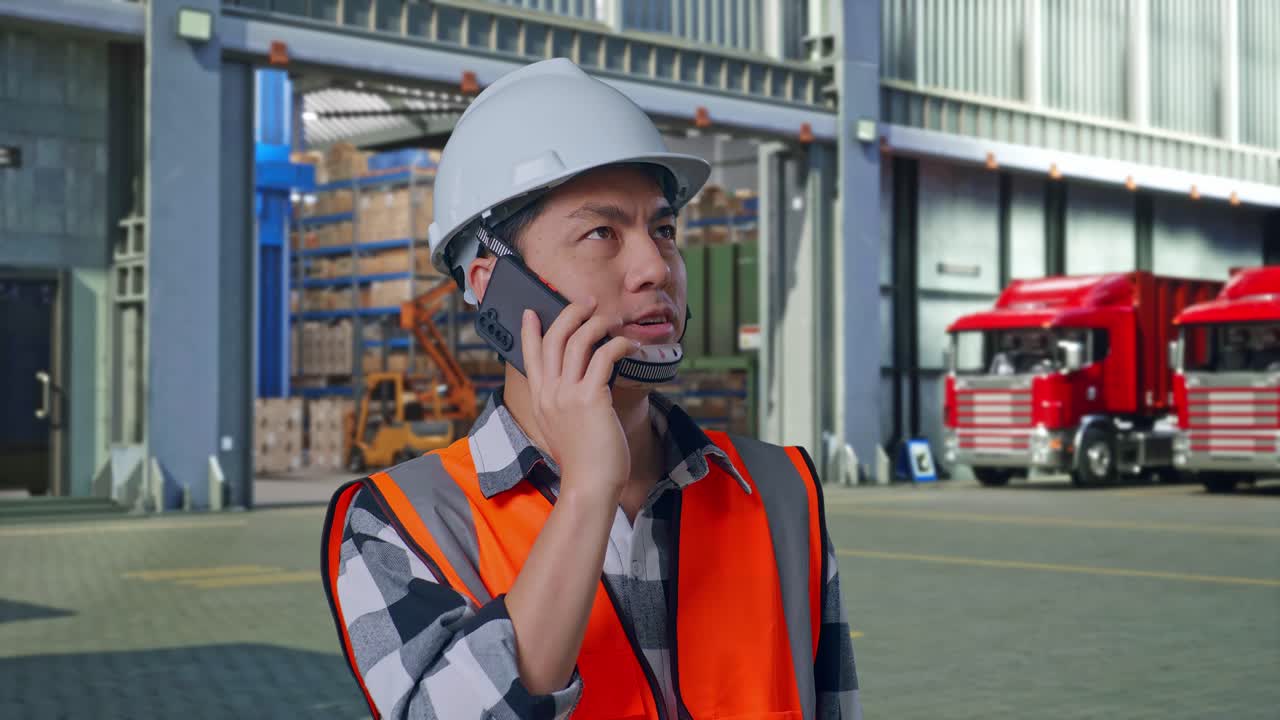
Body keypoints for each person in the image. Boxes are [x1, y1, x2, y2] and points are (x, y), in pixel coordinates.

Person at [321, 58, 860, 720]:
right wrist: (587, 492)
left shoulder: (779, 492)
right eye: (602, 233)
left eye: (663, 229)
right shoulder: (401, 523)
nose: (655, 266)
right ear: (492, 286)